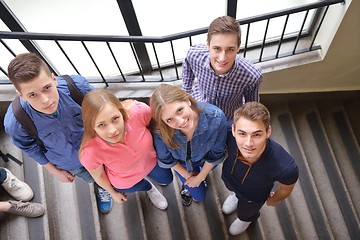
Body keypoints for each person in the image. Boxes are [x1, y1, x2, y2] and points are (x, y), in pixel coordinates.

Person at [3, 52, 112, 214]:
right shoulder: (17, 121)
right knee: (92, 176)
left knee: (113, 168)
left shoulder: (77, 88)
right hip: (70, 162)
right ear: (21, 95)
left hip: (101, 148)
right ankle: (102, 186)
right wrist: (54, 171)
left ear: (54, 79)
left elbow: (104, 111)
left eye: (47, 88)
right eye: (33, 95)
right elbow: (30, 148)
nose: (45, 100)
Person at [182, 15, 263, 164]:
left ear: (238, 48)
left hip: (228, 116)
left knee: (220, 148)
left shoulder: (251, 75)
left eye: (230, 49)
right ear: (207, 45)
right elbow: (187, 70)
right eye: (217, 49)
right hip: (200, 107)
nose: (222, 57)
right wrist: (186, 95)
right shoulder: (194, 54)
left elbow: (252, 107)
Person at [79, 89, 173, 210]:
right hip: (125, 180)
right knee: (142, 186)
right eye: (101, 125)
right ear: (91, 126)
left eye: (115, 119)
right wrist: (113, 193)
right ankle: (150, 188)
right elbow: (99, 176)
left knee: (167, 179)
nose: (113, 130)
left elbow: (157, 125)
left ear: (121, 111)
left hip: (151, 163)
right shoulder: (90, 151)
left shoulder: (138, 112)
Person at [221, 102, 299, 235]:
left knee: (247, 212)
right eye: (242, 134)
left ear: (268, 132)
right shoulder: (227, 132)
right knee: (233, 190)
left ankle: (245, 219)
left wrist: (273, 199)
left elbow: (285, 190)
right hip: (230, 178)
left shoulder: (286, 167)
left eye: (256, 135)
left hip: (254, 196)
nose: (248, 143)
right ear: (233, 130)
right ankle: (235, 196)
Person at [150, 84, 227, 206]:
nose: (180, 122)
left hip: (207, 159)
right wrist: (189, 176)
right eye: (169, 119)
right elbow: (166, 159)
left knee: (200, 182)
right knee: (199, 196)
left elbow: (217, 153)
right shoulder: (160, 131)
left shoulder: (215, 117)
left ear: (187, 101)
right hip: (183, 165)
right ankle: (189, 186)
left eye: (180, 110)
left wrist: (201, 177)